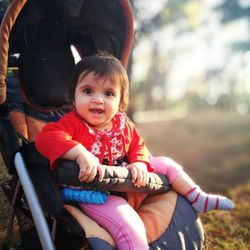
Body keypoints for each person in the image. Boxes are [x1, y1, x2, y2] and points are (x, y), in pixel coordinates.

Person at [35, 52, 234, 250]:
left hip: (127, 182)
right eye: (88, 91)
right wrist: (79, 153)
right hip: (96, 194)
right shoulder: (73, 124)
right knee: (130, 225)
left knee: (165, 163)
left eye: (108, 93)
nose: (98, 100)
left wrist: (138, 162)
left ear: (121, 101)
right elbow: (46, 139)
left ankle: (197, 197)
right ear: (73, 96)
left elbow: (137, 146)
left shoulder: (122, 123)